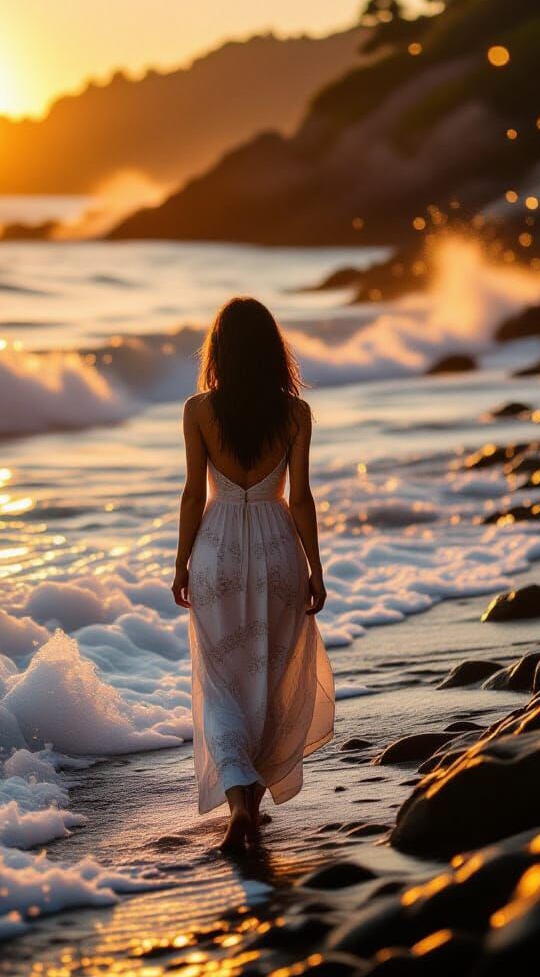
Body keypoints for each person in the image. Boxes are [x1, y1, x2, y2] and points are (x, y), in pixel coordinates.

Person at [172, 297, 335, 851]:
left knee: (220, 683)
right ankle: (250, 802)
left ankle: (239, 802)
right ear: (272, 350)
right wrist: (316, 568)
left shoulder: (198, 410)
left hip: (218, 549)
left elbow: (195, 495)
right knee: (271, 676)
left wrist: (181, 565)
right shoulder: (295, 415)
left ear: (218, 350)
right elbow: (303, 499)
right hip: (275, 549)